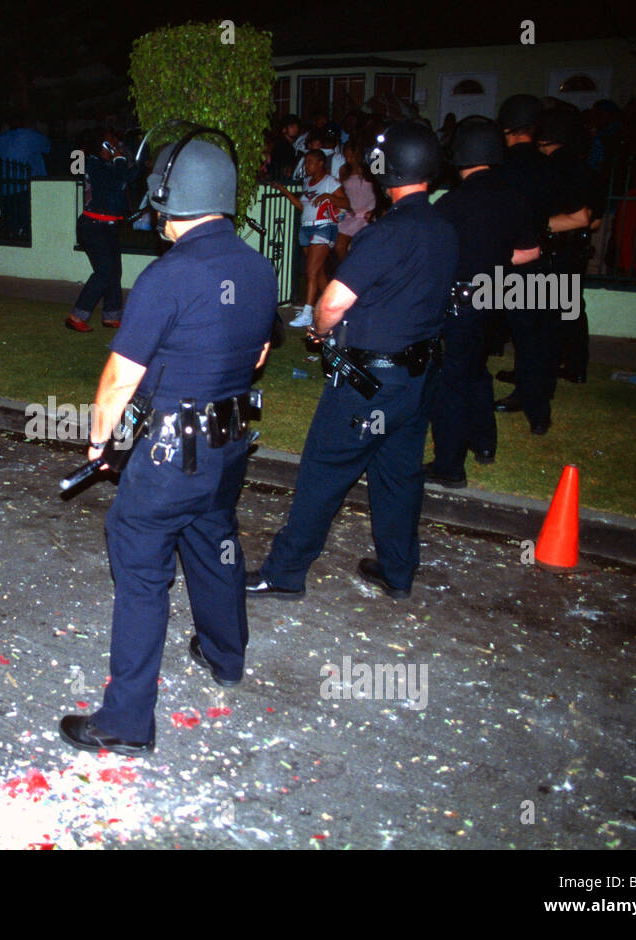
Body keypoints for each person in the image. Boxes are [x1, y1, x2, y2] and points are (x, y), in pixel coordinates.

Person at [59, 128, 277, 754]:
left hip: (167, 456)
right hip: (229, 445)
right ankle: (225, 653)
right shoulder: (259, 268)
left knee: (141, 567)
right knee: (214, 541)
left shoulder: (166, 275)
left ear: (164, 194)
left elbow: (118, 378)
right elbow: (259, 351)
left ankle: (125, 723)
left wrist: (98, 444)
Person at [246, 121, 457, 601]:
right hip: (418, 378)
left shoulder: (387, 233)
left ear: (388, 173)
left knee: (323, 472)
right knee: (398, 476)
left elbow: (334, 300)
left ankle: (284, 571)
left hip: (369, 383)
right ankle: (398, 571)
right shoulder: (444, 228)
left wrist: (319, 330)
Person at [427, 116, 541, 488]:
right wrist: (493, 257)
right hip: (496, 295)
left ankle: (449, 466)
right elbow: (531, 251)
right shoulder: (515, 195)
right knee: (477, 371)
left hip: (461, 301)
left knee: (451, 381)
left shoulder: (453, 202)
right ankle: (484, 445)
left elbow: (433, 256)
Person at [491, 94, 563, 434]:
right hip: (546, 256)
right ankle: (539, 406)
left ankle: (530, 403)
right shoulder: (549, 164)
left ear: (506, 128)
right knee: (540, 335)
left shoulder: (503, 167)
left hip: (513, 259)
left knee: (518, 333)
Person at [538, 110, 595, 384]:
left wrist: (537, 226)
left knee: (548, 312)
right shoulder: (582, 165)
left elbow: (581, 216)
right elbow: (593, 220)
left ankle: (555, 366)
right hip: (574, 249)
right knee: (568, 309)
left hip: (559, 249)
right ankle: (574, 365)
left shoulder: (556, 166)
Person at [67, 127, 139, 332]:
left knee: (114, 271)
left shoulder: (106, 166)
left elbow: (125, 179)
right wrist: (119, 161)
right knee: (104, 272)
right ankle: (76, 316)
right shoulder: (93, 164)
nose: (115, 148)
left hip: (108, 226)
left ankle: (112, 315)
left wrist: (139, 165)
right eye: (110, 145)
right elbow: (115, 183)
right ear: (100, 147)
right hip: (93, 227)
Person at [289, 149, 341, 328]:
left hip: (323, 226)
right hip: (306, 227)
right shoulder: (307, 182)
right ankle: (331, 308)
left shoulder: (330, 182)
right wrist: (284, 192)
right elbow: (304, 206)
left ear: (320, 163)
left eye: (310, 162)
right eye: (306, 162)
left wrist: (329, 196)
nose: (306, 166)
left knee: (311, 271)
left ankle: (307, 313)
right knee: (317, 272)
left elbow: (347, 203)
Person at [330, 141, 376, 262]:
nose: (349, 159)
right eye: (346, 157)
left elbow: (380, 190)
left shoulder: (371, 168)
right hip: (351, 215)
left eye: (352, 156)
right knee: (339, 246)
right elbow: (342, 191)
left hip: (369, 215)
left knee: (364, 250)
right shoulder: (344, 170)